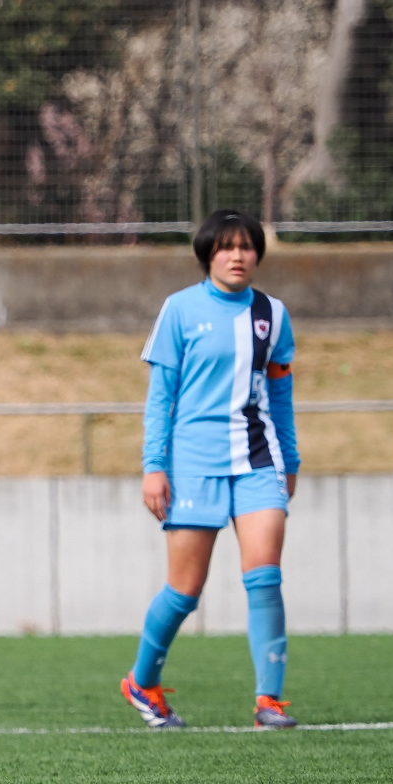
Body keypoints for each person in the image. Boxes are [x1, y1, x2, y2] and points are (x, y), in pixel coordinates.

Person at [121, 209, 300, 731]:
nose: (238, 256)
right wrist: (153, 467)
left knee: (264, 578)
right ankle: (142, 682)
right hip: (194, 464)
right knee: (184, 592)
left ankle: (269, 701)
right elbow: (161, 399)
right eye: (227, 247)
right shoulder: (179, 309)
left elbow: (282, 396)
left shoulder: (273, 314)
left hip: (258, 462)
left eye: (247, 247)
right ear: (208, 254)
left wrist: (291, 460)